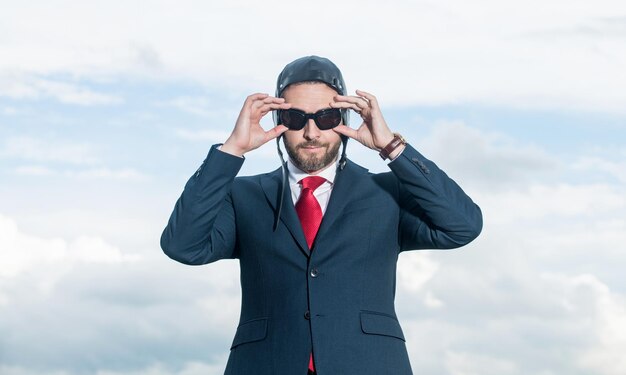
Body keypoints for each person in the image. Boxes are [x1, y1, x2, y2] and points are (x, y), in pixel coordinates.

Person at [161, 55, 482, 375]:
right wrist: (232, 150)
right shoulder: (243, 196)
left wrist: (391, 147)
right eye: (296, 118)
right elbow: (183, 245)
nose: (312, 132)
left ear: (344, 118)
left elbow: (462, 226)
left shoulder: (388, 194)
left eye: (326, 117)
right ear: (277, 122)